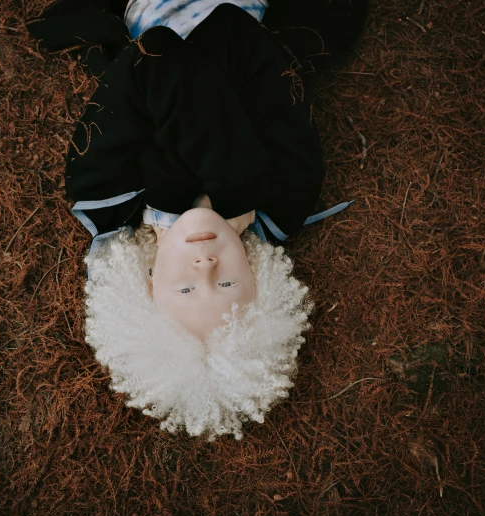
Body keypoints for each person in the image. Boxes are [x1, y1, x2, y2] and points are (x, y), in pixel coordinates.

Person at [28, 0, 368, 439]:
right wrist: (233, 195)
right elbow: (232, 30)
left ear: (148, 283)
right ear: (258, 281)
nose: (206, 268)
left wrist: (192, 192)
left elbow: (158, 52)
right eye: (227, 285)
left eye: (186, 289)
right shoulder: (288, 193)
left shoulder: (102, 190)